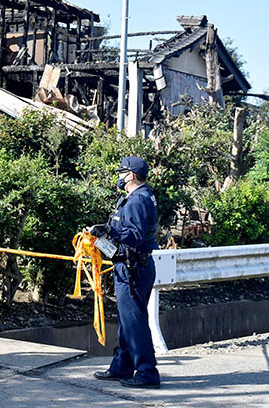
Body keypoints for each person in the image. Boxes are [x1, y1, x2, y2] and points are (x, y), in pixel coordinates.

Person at [90, 156, 160, 388]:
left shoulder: (138, 200)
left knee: (134, 322)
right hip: (132, 266)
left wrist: (109, 231)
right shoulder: (136, 197)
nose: (119, 177)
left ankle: (147, 373)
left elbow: (134, 235)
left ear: (130, 175)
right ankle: (122, 366)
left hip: (133, 268)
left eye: (122, 173)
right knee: (127, 321)